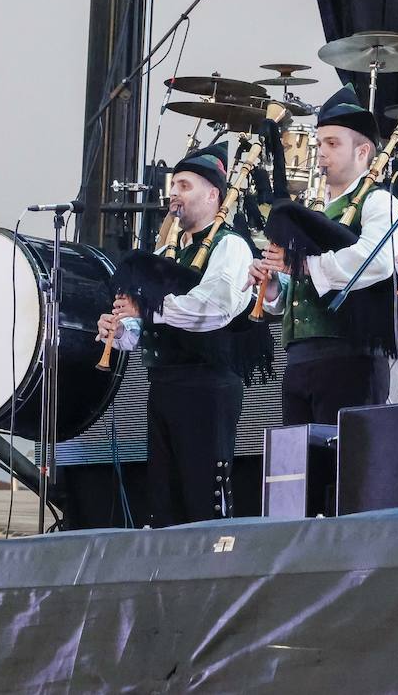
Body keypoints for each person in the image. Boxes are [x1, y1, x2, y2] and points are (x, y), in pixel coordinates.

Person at [98, 143, 253, 525]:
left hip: (207, 386)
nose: (173, 194)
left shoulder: (229, 246)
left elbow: (213, 307)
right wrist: (118, 330)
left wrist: (149, 307)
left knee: (203, 497)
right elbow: (146, 330)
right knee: (165, 499)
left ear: (213, 194)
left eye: (184, 186)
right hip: (165, 384)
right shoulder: (169, 251)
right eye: (174, 186)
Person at [251, 84, 398, 424]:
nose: (321, 153)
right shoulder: (314, 210)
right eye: (319, 144)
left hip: (350, 360)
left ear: (363, 152)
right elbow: (301, 285)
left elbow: (376, 260)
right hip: (300, 359)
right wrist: (275, 284)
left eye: (333, 144)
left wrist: (302, 265)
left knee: (345, 471)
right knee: (299, 472)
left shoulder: (378, 201)